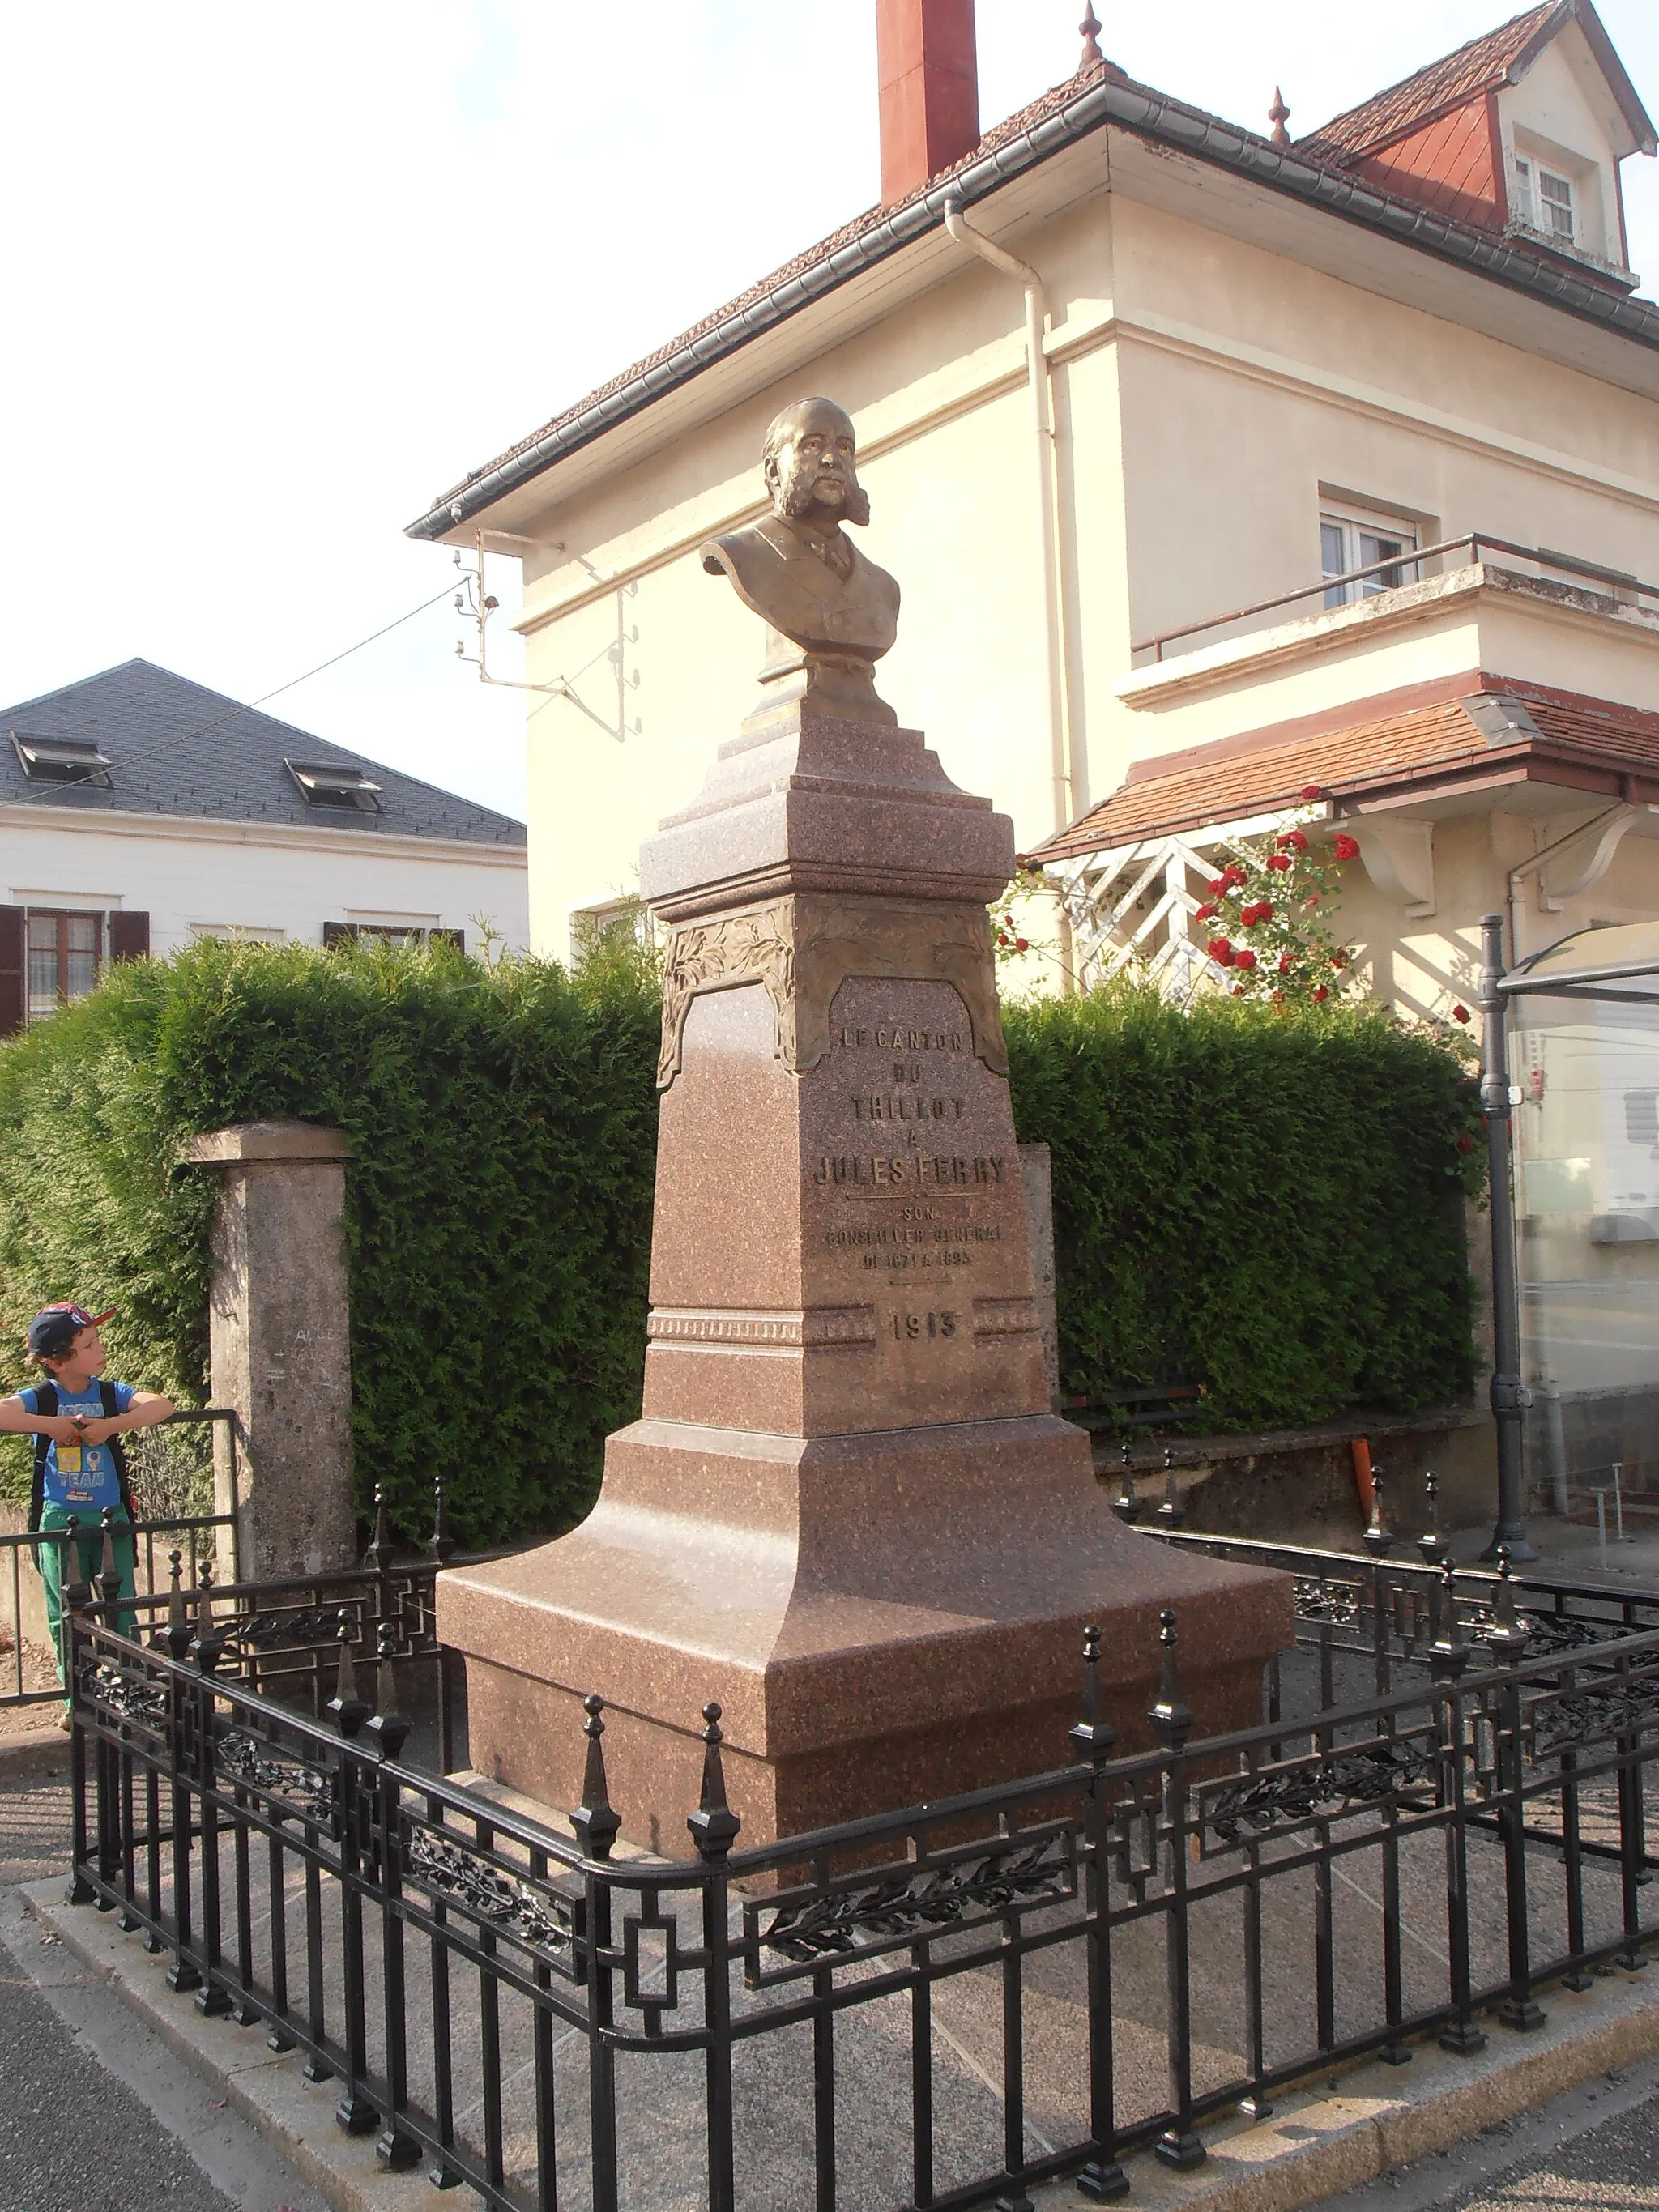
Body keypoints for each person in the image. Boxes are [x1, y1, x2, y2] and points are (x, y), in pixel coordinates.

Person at [0, 1302, 173, 1723]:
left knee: (122, 1608)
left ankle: (131, 1690)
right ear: (58, 1361)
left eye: (97, 1341)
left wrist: (109, 1427)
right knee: (66, 1614)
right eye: (88, 1344)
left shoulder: (110, 1393)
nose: (100, 1349)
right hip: (60, 1520)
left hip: (111, 1517)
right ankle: (75, 1697)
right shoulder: (42, 1398)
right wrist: (50, 1426)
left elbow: (162, 1405)